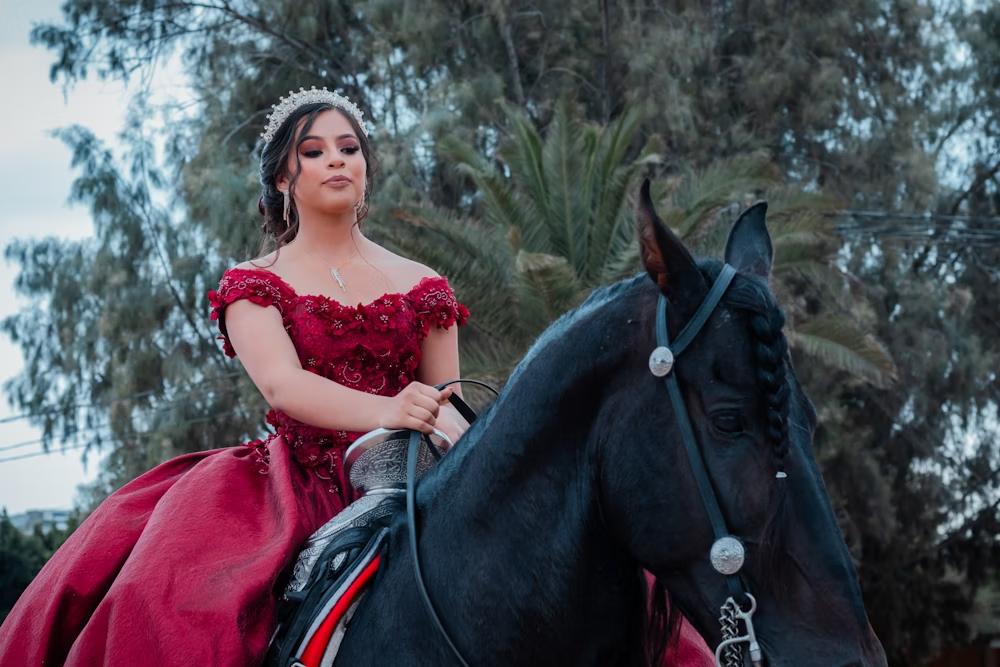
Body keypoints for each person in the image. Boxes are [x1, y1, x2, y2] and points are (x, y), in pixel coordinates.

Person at [0, 86, 471, 665]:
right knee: (174, 602)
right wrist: (389, 410)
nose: (337, 161)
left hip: (411, 482)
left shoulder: (426, 285)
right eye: (315, 152)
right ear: (282, 180)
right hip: (293, 487)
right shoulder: (254, 283)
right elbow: (283, 386)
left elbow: (447, 400)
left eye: (349, 148)